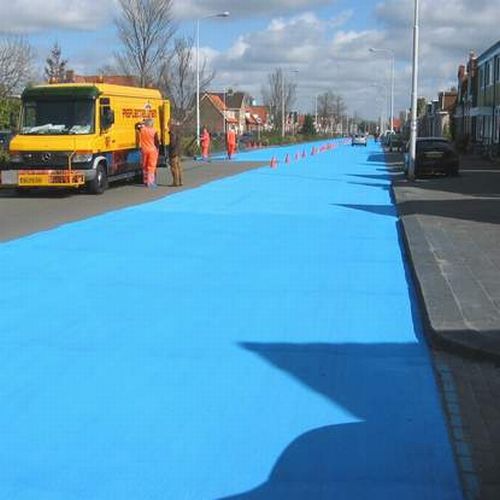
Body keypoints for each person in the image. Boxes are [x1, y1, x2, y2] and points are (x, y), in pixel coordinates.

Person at [138, 118, 160, 188]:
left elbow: (137, 125)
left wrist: (142, 122)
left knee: (144, 166)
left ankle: (145, 180)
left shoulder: (142, 130)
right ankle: (150, 182)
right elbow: (157, 141)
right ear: (152, 124)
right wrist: (158, 149)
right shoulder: (154, 131)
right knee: (151, 166)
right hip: (152, 150)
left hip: (144, 149)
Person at [169, 122, 182, 187]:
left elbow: (172, 143)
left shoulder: (172, 133)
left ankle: (175, 182)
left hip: (174, 152)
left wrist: (170, 149)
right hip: (178, 152)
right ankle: (180, 181)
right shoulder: (178, 131)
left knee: (174, 168)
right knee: (178, 167)